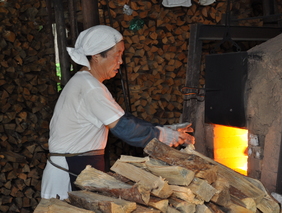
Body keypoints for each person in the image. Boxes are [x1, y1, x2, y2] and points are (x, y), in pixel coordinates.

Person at [40, 25, 195, 200]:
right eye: (117, 55)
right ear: (97, 56)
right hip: (69, 172)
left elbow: (124, 119)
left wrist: (164, 128)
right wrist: (164, 136)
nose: (120, 61)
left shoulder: (88, 83)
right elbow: (124, 128)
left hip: (78, 167)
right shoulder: (90, 88)